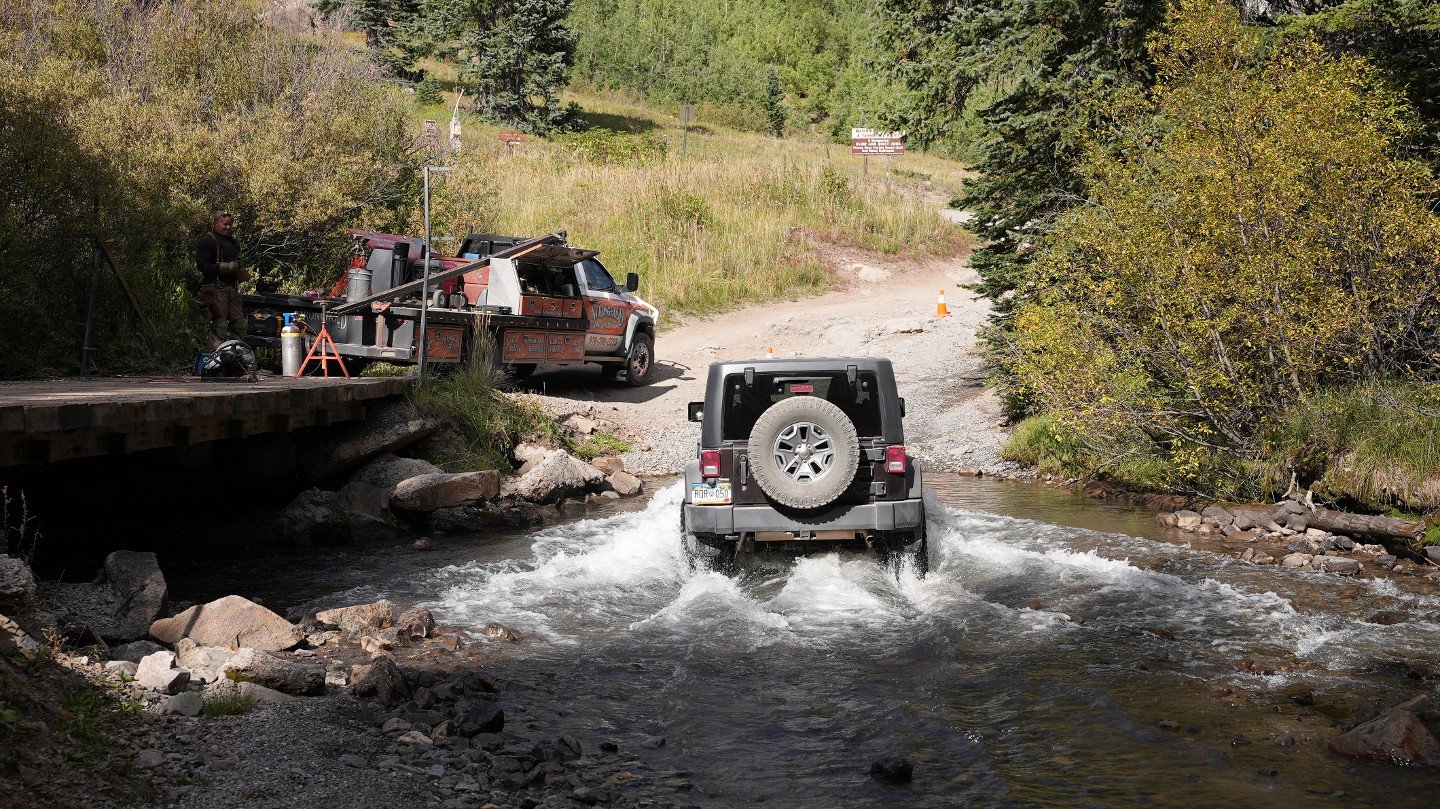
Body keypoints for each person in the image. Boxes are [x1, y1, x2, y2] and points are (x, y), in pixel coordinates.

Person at [196, 211, 247, 347]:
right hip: (216, 288)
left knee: (241, 325)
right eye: (225, 225)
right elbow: (202, 266)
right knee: (221, 325)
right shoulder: (208, 240)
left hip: (232, 288)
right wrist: (225, 267)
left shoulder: (232, 241)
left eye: (230, 225)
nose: (228, 228)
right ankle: (215, 359)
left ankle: (235, 357)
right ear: (215, 224)